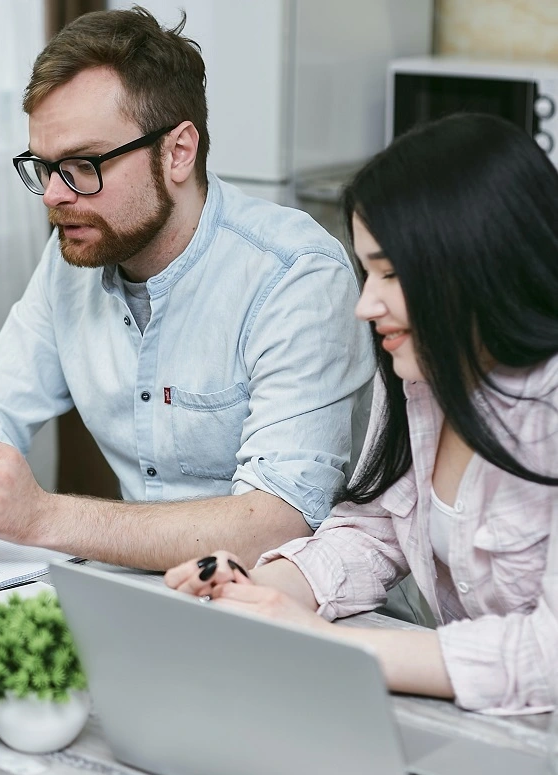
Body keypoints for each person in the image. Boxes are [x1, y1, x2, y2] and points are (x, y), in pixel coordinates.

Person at [0, 7, 374, 570]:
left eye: (84, 165)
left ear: (178, 151)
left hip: (301, 610)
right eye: (43, 167)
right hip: (148, 600)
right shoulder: (76, 258)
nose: (53, 197)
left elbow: (280, 520)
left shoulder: (295, 275)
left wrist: (41, 517)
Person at [166, 113, 558, 714]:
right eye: (366, 270)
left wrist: (330, 646)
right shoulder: (421, 378)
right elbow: (371, 532)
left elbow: (546, 654)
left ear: (478, 262)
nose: (365, 304)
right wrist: (259, 591)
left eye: (391, 274)